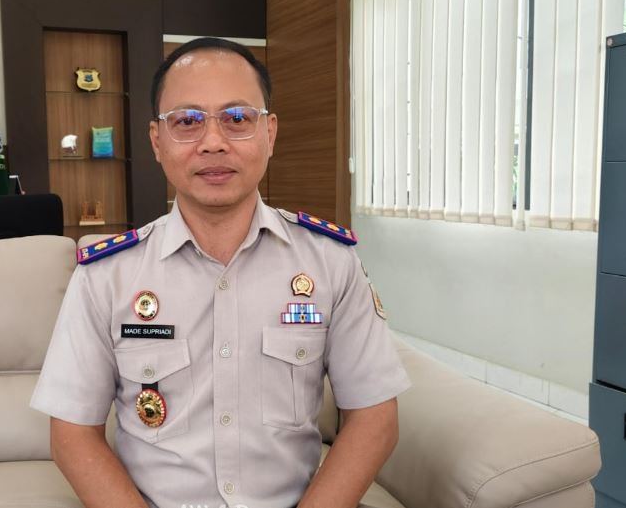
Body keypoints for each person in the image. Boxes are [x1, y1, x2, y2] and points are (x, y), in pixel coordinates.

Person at [30, 37, 411, 508]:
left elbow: (375, 417)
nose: (213, 142)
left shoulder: (331, 262)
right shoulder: (107, 276)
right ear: (157, 141)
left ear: (269, 133)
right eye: (187, 121)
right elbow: (72, 433)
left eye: (237, 119)